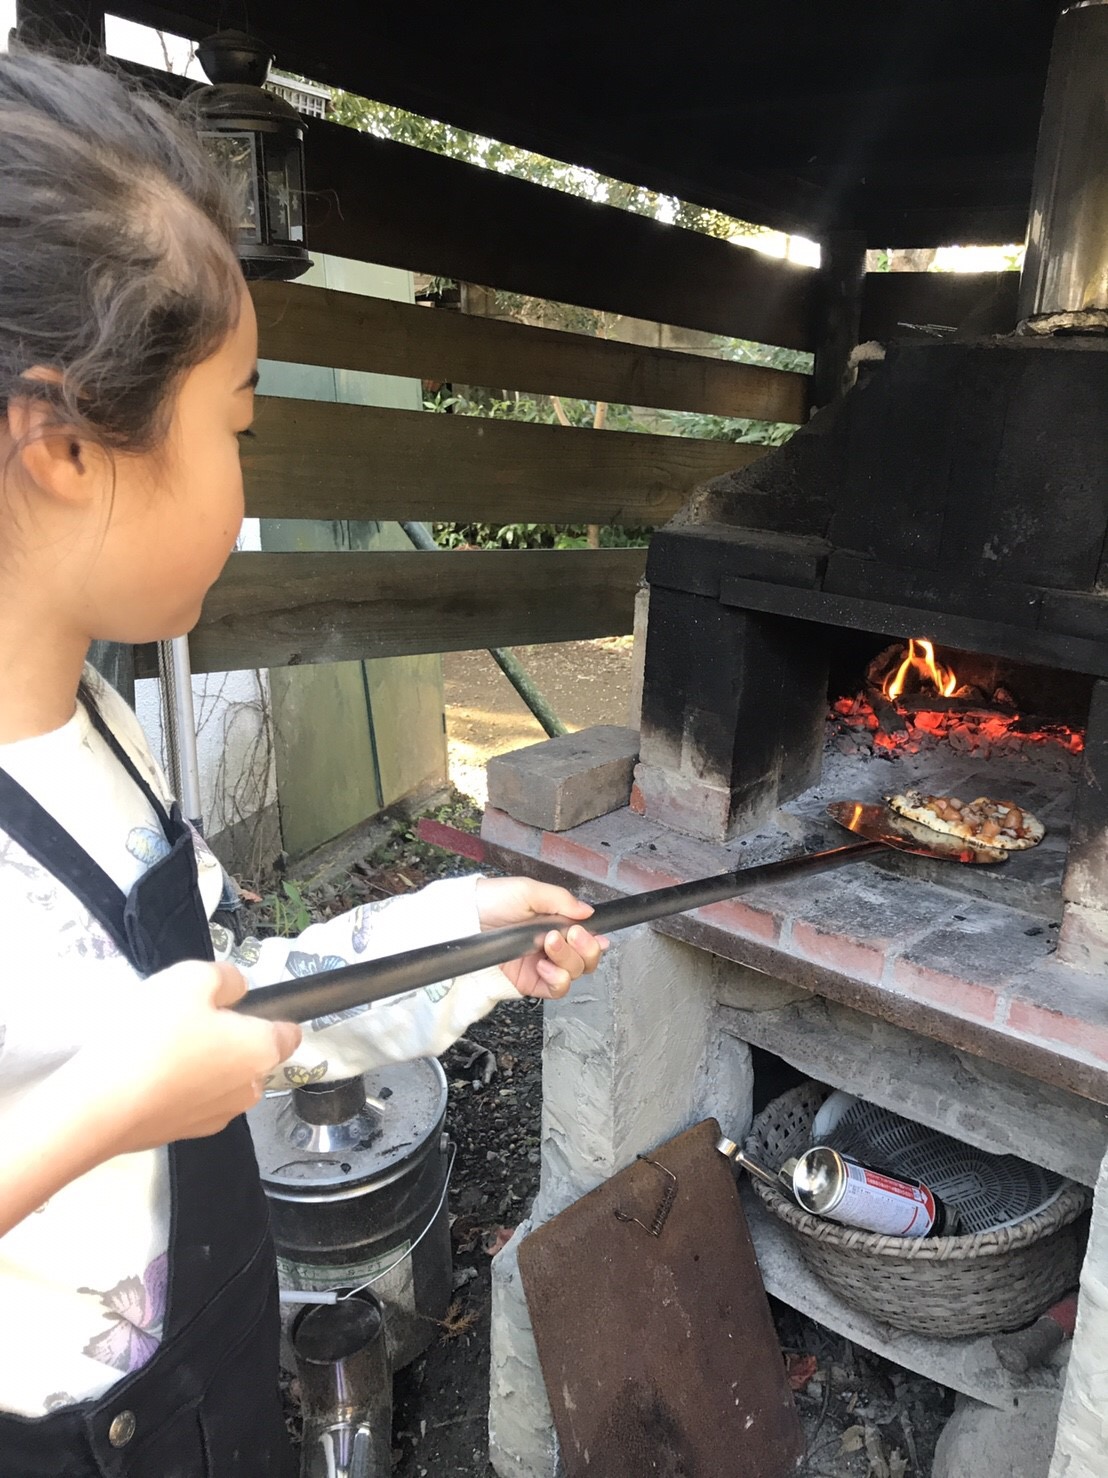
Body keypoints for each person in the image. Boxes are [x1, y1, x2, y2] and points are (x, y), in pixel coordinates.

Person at [0, 50, 606, 1476]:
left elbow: (241, 995)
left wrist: (457, 936)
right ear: (65, 441)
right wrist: (110, 1110)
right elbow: (143, 1076)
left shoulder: (103, 733)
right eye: (237, 425)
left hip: (210, 1409)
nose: (245, 483)